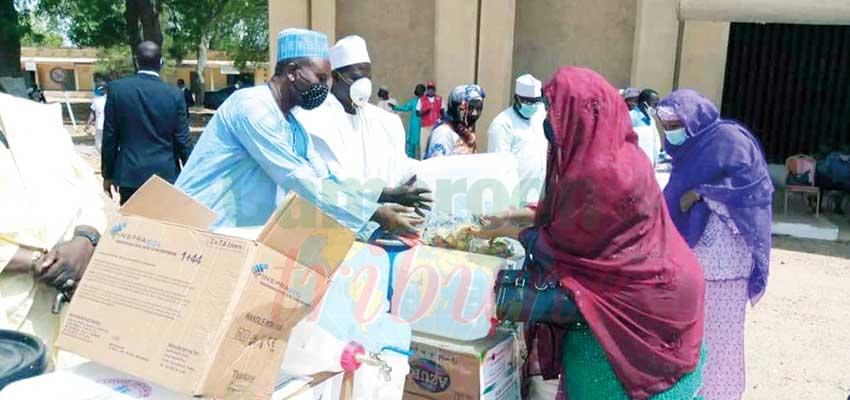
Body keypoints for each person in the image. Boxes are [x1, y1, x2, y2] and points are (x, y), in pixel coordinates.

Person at [475, 67, 706, 399]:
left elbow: (566, 247)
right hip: (668, 284)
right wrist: (511, 216)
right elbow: (571, 218)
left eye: (556, 112)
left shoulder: (598, 174)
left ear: (582, 116)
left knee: (610, 380)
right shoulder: (625, 155)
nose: (549, 123)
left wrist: (519, 236)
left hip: (640, 303)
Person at [175, 29, 422, 238]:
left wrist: (383, 193)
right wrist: (374, 214)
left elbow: (325, 180)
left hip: (233, 236)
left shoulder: (294, 128)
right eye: (320, 77)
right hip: (195, 230)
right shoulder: (252, 107)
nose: (325, 87)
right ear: (292, 71)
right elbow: (298, 180)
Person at [658, 89, 774, 400]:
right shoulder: (688, 153)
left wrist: (703, 194)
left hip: (727, 267)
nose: (671, 133)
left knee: (720, 346)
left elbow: (755, 192)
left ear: (693, 120)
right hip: (692, 267)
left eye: (675, 125)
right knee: (689, 342)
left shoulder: (729, 141)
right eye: (666, 126)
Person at [0, 92, 106, 368]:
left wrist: (86, 238)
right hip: (10, 318)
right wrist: (37, 262)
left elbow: (87, 189)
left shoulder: (32, 116)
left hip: (72, 304)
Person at [293, 35, 425, 206]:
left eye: (367, 79)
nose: (363, 86)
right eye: (356, 78)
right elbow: (332, 181)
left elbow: (397, 166)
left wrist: (421, 172)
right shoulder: (315, 120)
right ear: (336, 76)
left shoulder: (383, 121)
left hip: (385, 221)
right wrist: (385, 195)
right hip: (336, 219)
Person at [101, 41, 192, 205]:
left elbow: (110, 137)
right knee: (163, 226)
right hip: (165, 175)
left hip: (130, 175)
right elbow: (182, 140)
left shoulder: (117, 90)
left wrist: (107, 174)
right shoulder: (175, 94)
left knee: (134, 229)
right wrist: (192, 174)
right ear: (161, 63)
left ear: (137, 61)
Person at [487, 74, 547, 204]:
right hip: (515, 202)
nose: (532, 106)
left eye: (536, 101)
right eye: (527, 102)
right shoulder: (502, 124)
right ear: (517, 99)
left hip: (540, 199)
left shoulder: (540, 114)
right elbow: (498, 168)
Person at [424, 84, 484, 159]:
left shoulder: (464, 132)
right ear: (457, 107)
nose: (474, 113)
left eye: (478, 108)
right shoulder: (443, 133)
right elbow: (435, 167)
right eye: (471, 108)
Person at [393, 84, 426, 159]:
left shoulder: (426, 101)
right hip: (414, 126)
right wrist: (395, 107)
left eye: (420, 89)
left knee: (420, 146)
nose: (419, 91)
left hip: (423, 126)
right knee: (412, 145)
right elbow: (405, 107)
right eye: (418, 89)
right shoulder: (414, 101)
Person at [631, 88, 662, 167]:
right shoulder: (630, 118)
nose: (657, 107)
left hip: (650, 166)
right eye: (655, 104)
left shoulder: (651, 119)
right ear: (645, 104)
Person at [418, 80, 443, 157]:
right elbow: (417, 113)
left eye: (432, 88)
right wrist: (425, 112)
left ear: (434, 89)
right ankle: (423, 163)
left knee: (436, 146)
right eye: (429, 88)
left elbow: (443, 112)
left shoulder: (439, 99)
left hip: (436, 127)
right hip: (425, 127)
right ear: (427, 89)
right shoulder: (421, 100)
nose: (430, 90)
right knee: (424, 146)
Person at [85, 84, 107, 152]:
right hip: (110, 125)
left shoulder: (95, 100)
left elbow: (92, 115)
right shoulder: (109, 99)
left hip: (99, 125)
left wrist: (88, 125)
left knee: (98, 143)